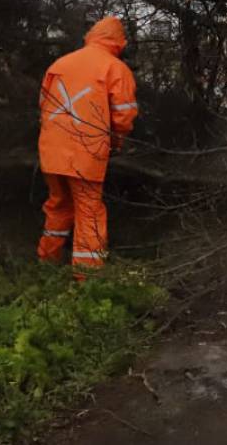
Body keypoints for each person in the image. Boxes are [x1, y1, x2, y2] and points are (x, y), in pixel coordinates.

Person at [37, 16, 138, 277]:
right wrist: (116, 143)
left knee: (58, 205)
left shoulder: (60, 64)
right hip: (86, 154)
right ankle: (87, 279)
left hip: (51, 150)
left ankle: (46, 264)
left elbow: (43, 105)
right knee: (89, 211)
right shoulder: (115, 68)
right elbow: (123, 117)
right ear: (119, 42)